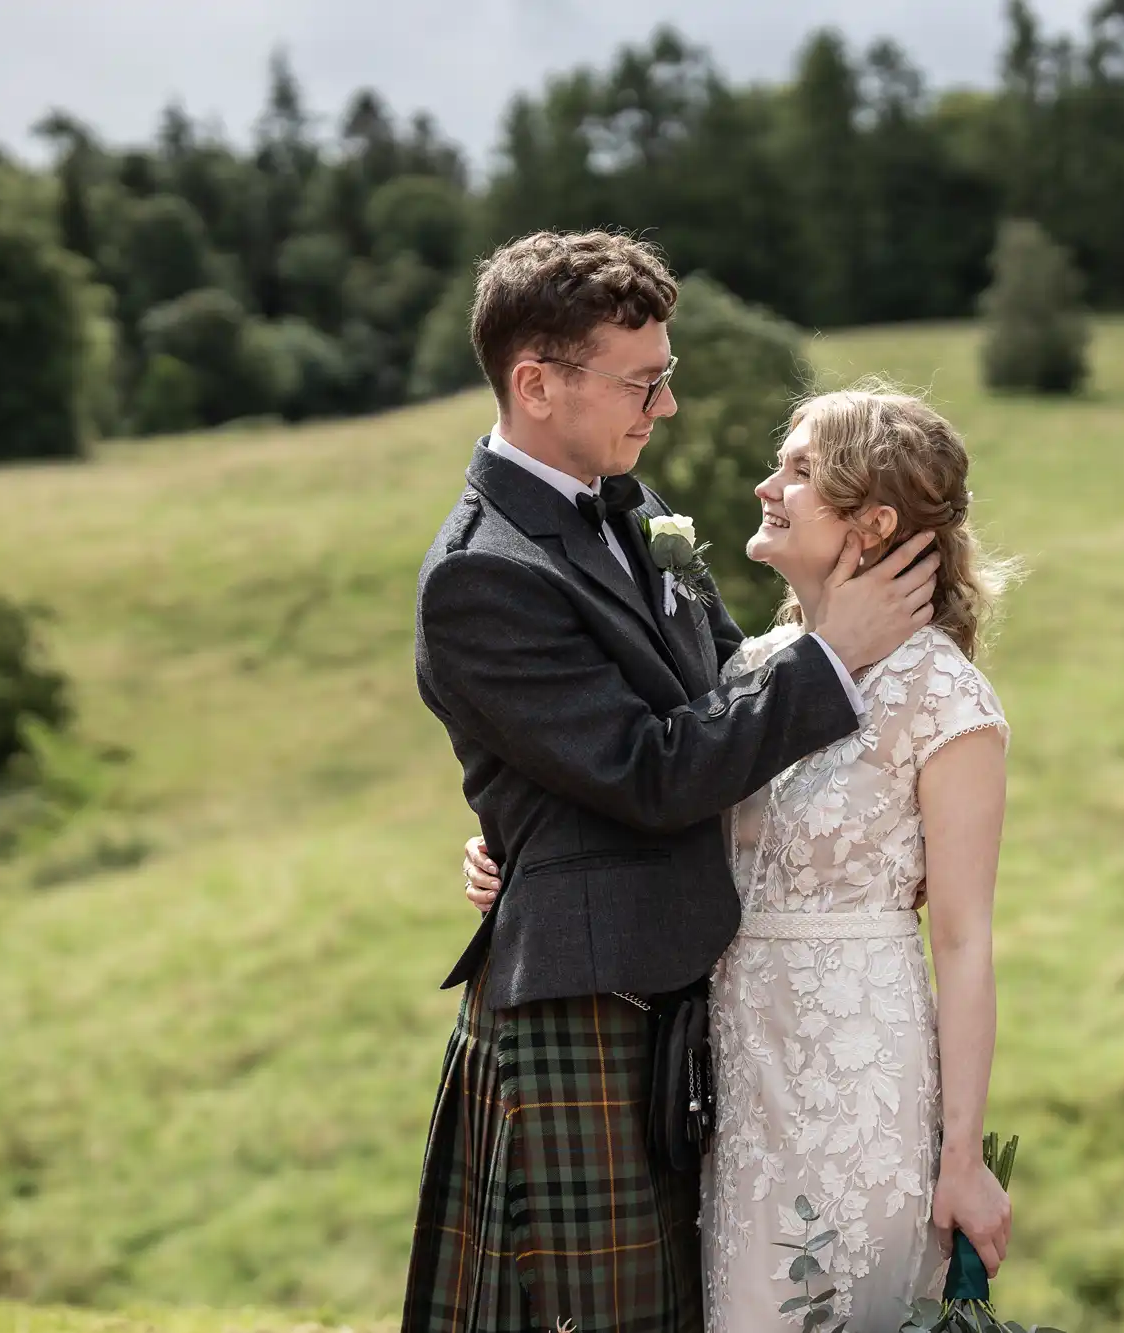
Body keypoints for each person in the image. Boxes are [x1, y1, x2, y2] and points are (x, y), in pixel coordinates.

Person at [401, 231, 938, 1333]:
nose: (667, 407)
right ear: (535, 382)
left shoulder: (630, 510)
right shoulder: (479, 575)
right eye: (641, 383)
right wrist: (828, 654)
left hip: (679, 997)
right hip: (585, 1005)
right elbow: (650, 771)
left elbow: (716, 703)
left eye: (667, 377)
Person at [464, 388, 1016, 1330]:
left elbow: (963, 942)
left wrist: (960, 1159)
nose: (768, 485)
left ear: (873, 521)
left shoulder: (942, 694)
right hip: (740, 1084)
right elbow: (661, 789)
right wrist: (521, 856)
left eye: (800, 471)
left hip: (859, 1078)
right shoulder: (756, 667)